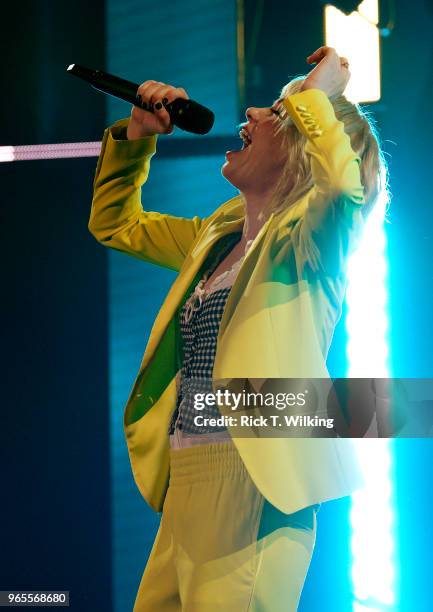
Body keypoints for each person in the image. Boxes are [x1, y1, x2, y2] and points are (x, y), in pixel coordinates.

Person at [89, 46, 387, 611]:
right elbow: (116, 224)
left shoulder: (314, 244)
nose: (250, 113)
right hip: (185, 479)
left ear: (304, 148)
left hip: (255, 478)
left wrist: (314, 96)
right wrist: (138, 135)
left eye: (275, 113)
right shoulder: (216, 237)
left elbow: (343, 190)